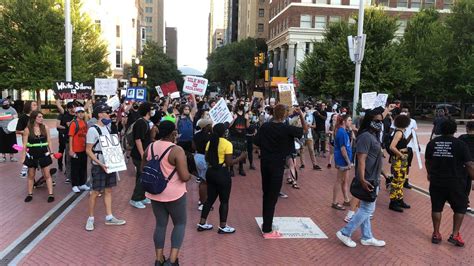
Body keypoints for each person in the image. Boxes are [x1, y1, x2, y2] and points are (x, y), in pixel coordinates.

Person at [336, 107, 391, 248]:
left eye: (381, 121)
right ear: (369, 121)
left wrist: (386, 109)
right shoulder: (366, 136)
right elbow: (361, 159)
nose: (380, 123)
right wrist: (362, 179)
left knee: (366, 208)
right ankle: (345, 232)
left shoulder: (372, 135)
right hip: (368, 178)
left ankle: (367, 237)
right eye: (377, 121)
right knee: (367, 209)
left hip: (372, 177)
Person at [254, 104, 307, 238]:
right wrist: (301, 115)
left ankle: (266, 223)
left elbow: (256, 142)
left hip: (265, 164)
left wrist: (266, 148)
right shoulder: (286, 128)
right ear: (284, 115)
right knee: (272, 197)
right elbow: (305, 130)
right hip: (277, 165)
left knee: (266, 194)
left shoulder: (265, 126)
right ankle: (267, 229)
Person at [143, 120, 192, 266]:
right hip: (174, 194)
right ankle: (171, 261)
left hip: (155, 193)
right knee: (180, 223)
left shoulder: (150, 147)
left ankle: (158, 259)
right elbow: (184, 176)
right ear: (173, 133)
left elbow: (143, 168)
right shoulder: (176, 150)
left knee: (160, 225)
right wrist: (190, 175)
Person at [425, 119, 474, 247]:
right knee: (461, 207)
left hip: (436, 181)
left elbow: (427, 161)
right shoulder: (460, 144)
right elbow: (469, 164)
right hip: (455, 182)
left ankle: (436, 233)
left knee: (436, 207)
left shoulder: (432, 143)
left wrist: (429, 173)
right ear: (455, 130)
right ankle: (455, 234)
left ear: (440, 129)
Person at [197, 123, 246, 234]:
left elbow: (206, 157)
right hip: (222, 173)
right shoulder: (227, 144)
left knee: (209, 199)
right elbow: (229, 163)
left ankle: (202, 223)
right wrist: (241, 157)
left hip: (210, 172)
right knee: (224, 201)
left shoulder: (210, 142)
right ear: (224, 132)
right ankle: (222, 226)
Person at [85, 104, 126, 231]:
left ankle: (109, 217)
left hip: (109, 164)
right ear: (99, 114)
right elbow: (88, 150)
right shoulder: (93, 130)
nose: (109, 114)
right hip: (99, 165)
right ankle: (90, 218)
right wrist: (99, 163)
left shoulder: (107, 128)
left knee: (108, 190)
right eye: (106, 112)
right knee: (95, 191)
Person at [21, 111, 55, 203]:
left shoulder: (45, 128)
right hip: (32, 156)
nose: (42, 118)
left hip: (44, 155)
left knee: (47, 175)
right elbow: (24, 145)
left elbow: (49, 141)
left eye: (42, 117)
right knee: (31, 175)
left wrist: (51, 153)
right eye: (39, 117)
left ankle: (51, 194)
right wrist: (23, 158)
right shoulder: (27, 129)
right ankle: (30, 194)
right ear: (34, 118)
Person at [130, 102, 155, 209]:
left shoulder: (146, 122)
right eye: (152, 109)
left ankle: (142, 196)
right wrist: (142, 154)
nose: (153, 111)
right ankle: (135, 199)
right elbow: (138, 139)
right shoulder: (141, 123)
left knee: (142, 176)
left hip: (144, 154)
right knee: (142, 176)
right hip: (139, 155)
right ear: (147, 110)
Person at [387, 115, 412, 212]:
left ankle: (399, 199)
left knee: (401, 179)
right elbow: (392, 147)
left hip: (402, 159)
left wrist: (411, 136)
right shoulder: (398, 133)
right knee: (397, 180)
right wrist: (401, 155)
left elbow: (403, 143)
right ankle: (393, 201)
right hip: (399, 159)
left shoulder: (401, 132)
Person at [332, 115, 353, 211]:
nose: (351, 122)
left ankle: (346, 199)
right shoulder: (341, 132)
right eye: (349, 120)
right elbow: (343, 149)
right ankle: (334, 202)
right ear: (344, 121)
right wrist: (348, 162)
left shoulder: (344, 131)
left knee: (344, 180)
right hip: (342, 161)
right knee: (339, 180)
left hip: (343, 160)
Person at [68, 106, 90, 193]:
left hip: (83, 149)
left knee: (83, 167)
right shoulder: (73, 123)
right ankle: (75, 185)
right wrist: (71, 149)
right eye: (79, 112)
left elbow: (86, 135)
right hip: (76, 149)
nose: (81, 114)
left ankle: (82, 183)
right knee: (75, 168)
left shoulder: (84, 123)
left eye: (82, 112)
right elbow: (71, 137)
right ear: (76, 114)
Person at [193, 118, 213, 211]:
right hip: (204, 158)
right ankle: (202, 202)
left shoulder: (196, 135)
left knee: (202, 179)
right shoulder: (209, 136)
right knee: (204, 182)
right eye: (210, 125)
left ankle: (202, 199)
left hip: (197, 156)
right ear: (206, 126)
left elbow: (193, 146)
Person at [16, 101, 38, 177]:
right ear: (29, 106)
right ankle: (29, 175)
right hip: (28, 142)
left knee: (40, 158)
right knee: (30, 159)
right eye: (34, 105)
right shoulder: (23, 117)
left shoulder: (37, 116)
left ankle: (45, 176)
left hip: (38, 141)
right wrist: (28, 132)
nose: (36, 106)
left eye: (36, 105)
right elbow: (18, 130)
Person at [56, 100, 76, 182]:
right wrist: (65, 127)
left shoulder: (76, 115)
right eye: (71, 108)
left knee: (67, 154)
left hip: (70, 137)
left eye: (74, 107)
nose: (73, 109)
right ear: (67, 109)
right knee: (61, 150)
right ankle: (60, 165)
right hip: (63, 135)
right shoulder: (63, 115)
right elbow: (57, 125)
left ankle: (66, 170)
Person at [229, 100, 249, 176]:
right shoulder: (233, 114)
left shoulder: (245, 114)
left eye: (243, 104)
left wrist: (247, 119)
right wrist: (233, 119)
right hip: (234, 136)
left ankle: (241, 168)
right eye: (241, 104)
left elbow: (247, 126)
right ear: (237, 105)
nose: (242, 105)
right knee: (232, 152)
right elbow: (229, 125)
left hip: (242, 136)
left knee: (241, 152)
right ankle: (231, 169)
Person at [458, 121, 474, 213]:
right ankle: (465, 202)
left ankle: (464, 202)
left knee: (463, 184)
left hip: (463, 165)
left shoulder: (462, 138)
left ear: (467, 128)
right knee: (468, 184)